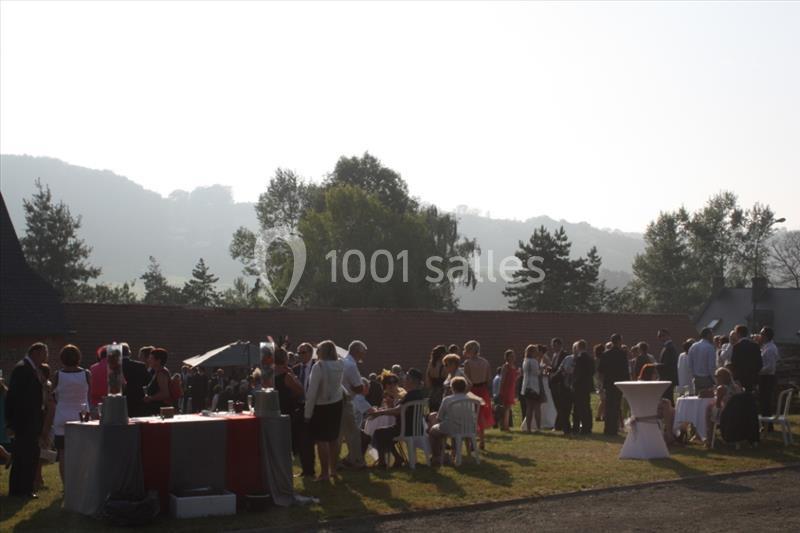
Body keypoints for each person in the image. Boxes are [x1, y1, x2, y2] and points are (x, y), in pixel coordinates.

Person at [5, 342, 48, 498]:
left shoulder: (30, 369)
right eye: (44, 354)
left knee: (28, 455)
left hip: (30, 421)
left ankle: (23, 488)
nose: (46, 358)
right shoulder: (23, 369)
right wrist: (13, 422)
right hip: (25, 421)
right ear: (35, 353)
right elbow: (14, 397)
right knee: (25, 456)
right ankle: (22, 489)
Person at [366, 368, 428, 468]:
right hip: (416, 428)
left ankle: (382, 463)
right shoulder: (419, 394)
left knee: (378, 432)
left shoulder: (410, 395)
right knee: (385, 434)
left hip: (404, 429)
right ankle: (397, 458)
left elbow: (398, 410)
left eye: (406, 378)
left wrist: (380, 413)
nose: (403, 380)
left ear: (411, 381)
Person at [304, 340, 344, 482]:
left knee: (322, 439)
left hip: (322, 405)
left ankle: (324, 473)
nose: (317, 352)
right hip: (337, 403)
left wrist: (307, 413)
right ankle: (333, 470)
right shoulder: (340, 364)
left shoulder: (319, 366)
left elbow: (312, 392)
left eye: (318, 350)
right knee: (334, 438)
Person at [51, 345, 90, 482]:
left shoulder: (58, 375)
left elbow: (52, 394)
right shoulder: (86, 374)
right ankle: (80, 481)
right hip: (82, 416)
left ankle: (66, 485)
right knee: (82, 452)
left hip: (62, 415)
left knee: (63, 454)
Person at [428, 376, 477, 466]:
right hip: (469, 428)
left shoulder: (448, 399)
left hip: (452, 428)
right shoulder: (471, 400)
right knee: (447, 426)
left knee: (433, 432)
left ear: (452, 388)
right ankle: (450, 455)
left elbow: (439, 417)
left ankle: (436, 457)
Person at [338, 340, 368, 469]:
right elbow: (358, 387)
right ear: (357, 351)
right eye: (363, 353)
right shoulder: (351, 365)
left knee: (339, 434)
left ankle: (336, 461)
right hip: (347, 401)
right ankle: (356, 461)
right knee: (353, 433)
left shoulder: (342, 362)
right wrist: (362, 388)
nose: (363, 356)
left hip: (337, 401)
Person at [462, 340, 494, 449]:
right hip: (483, 390)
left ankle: (472, 441)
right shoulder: (485, 362)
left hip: (472, 390)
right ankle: (482, 440)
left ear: (470, 350)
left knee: (471, 416)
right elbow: (489, 378)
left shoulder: (467, 363)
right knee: (480, 416)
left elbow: (467, 380)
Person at [291, 342, 317, 476]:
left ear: (311, 353)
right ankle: (306, 469)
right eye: (299, 353)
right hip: (299, 407)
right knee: (301, 439)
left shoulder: (317, 367)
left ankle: (310, 469)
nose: (300, 355)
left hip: (314, 407)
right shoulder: (295, 370)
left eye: (303, 352)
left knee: (309, 440)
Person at [637, 364, 676, 446]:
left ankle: (669, 434)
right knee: (667, 406)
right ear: (649, 374)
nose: (657, 375)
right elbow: (647, 399)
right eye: (655, 373)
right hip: (646, 410)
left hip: (652, 407)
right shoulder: (643, 384)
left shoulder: (651, 383)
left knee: (671, 409)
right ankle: (669, 435)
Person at [597, 334, 629, 436]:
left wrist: (601, 384)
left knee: (608, 406)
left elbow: (600, 371)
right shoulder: (622, 354)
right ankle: (614, 429)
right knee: (616, 406)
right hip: (619, 384)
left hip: (608, 383)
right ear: (619, 341)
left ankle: (607, 428)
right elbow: (625, 371)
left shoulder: (605, 354)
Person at [704, 367, 742, 446]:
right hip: (738, 413)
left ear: (722, 378)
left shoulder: (721, 388)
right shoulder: (737, 387)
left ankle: (709, 439)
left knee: (708, 411)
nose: (715, 378)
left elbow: (718, 404)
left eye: (717, 376)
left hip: (727, 414)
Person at [571, 340, 595, 435]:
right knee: (586, 406)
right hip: (587, 385)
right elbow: (592, 371)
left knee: (578, 407)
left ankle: (578, 427)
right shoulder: (590, 358)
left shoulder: (579, 358)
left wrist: (573, 383)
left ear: (578, 347)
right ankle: (587, 426)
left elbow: (578, 373)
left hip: (579, 386)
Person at [758, 327, 780, 431]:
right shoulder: (765, 346)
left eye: (761, 334)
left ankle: (768, 426)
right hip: (765, 377)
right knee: (763, 402)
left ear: (766, 336)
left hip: (767, 377)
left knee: (766, 402)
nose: (760, 335)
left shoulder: (770, 348)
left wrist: (758, 372)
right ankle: (765, 425)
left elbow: (770, 367)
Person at [730, 324, 762, 392]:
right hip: (752, 378)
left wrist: (735, 377)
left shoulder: (736, 347)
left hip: (740, 379)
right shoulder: (755, 346)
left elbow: (734, 363)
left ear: (738, 334)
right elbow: (759, 363)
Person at [548, 337, 571, 433]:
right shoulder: (554, 355)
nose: (553, 347)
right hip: (554, 383)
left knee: (561, 406)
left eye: (555, 345)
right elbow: (554, 368)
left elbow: (562, 370)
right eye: (552, 345)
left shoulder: (564, 355)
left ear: (559, 345)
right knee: (558, 406)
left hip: (560, 384)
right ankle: (559, 425)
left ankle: (563, 426)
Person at [120, 343, 149, 417]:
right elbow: (148, 382)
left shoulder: (116, 367)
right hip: (138, 400)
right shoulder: (141, 366)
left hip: (121, 401)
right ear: (129, 353)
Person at [520, 344, 543, 433]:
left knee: (529, 407)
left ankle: (528, 428)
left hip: (526, 386)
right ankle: (538, 427)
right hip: (533, 386)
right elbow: (536, 373)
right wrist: (541, 369)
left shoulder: (525, 361)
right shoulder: (533, 361)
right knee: (537, 407)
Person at [687, 328, 717, 392]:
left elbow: (690, 364)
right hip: (707, 379)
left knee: (698, 399)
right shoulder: (709, 347)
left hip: (696, 379)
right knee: (708, 400)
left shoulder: (693, 346)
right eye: (712, 335)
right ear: (708, 335)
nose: (713, 337)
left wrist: (694, 376)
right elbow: (711, 366)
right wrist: (715, 380)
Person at [143, 348, 171, 414]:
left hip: (160, 410)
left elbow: (165, 394)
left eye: (151, 358)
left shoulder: (161, 373)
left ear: (158, 360)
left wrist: (150, 398)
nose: (148, 360)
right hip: (157, 409)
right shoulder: (158, 372)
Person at [498, 350, 518, 431]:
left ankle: (505, 425)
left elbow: (514, 378)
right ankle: (505, 426)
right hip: (506, 388)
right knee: (505, 407)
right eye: (511, 356)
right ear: (507, 357)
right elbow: (502, 379)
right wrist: (500, 390)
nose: (513, 358)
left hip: (511, 388)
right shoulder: (505, 366)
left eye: (513, 356)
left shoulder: (513, 366)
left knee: (508, 407)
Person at [657, 329, 678, 404]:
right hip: (667, 379)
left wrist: (656, 366)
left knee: (668, 401)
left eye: (662, 336)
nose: (660, 338)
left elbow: (668, 364)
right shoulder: (666, 347)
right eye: (659, 336)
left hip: (668, 379)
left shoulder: (670, 347)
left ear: (668, 336)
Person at [426, 345, 448, 412]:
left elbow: (427, 377)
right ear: (442, 354)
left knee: (431, 410)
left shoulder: (431, 364)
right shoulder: (444, 365)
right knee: (440, 411)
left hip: (432, 391)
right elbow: (447, 377)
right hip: (441, 391)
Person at [593, 344, 606, 422]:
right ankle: (598, 416)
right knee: (604, 399)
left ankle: (603, 415)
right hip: (601, 381)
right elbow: (600, 372)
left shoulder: (596, 360)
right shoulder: (599, 360)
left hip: (598, 380)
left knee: (604, 399)